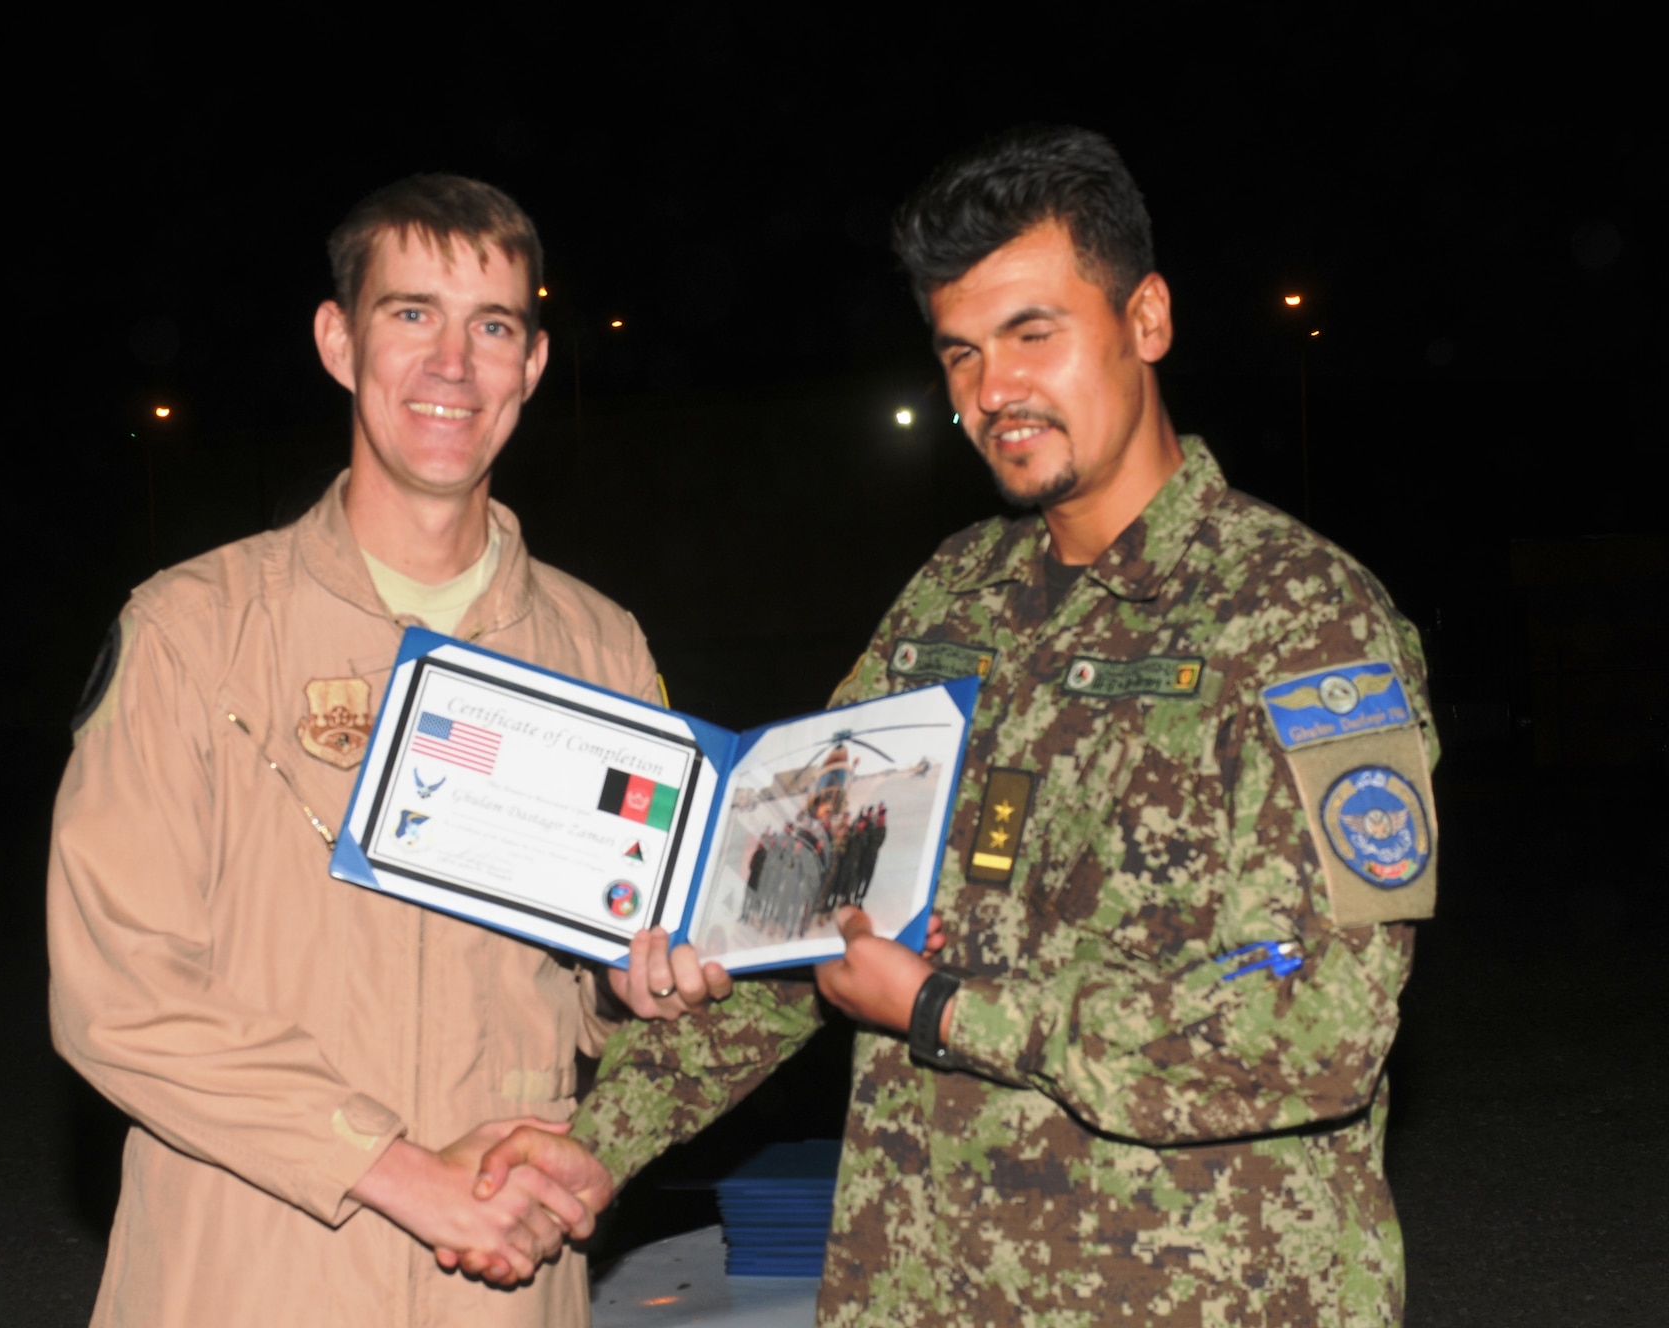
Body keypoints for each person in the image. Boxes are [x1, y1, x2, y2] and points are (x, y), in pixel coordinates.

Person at [565, 126, 1438, 1325]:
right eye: (959, 352)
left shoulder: (1300, 620)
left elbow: (1317, 1015)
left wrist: (944, 1007)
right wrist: (591, 1147)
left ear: (1146, 319)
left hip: (1192, 1291)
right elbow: (795, 920)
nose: (991, 393)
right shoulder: (946, 600)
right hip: (919, 1285)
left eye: (1034, 333)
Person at [46, 174, 727, 1328]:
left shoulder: (598, 641)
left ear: (533, 363)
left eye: (492, 326)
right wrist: (404, 1172)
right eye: (411, 313)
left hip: (499, 1270)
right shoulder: (193, 628)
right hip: (250, 1263)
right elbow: (116, 992)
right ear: (337, 339)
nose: (452, 364)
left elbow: (593, 982)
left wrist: (633, 985)